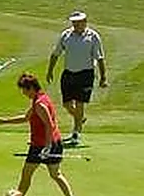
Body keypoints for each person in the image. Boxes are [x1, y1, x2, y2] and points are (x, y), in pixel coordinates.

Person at [0, 72, 79, 196]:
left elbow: (49, 125)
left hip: (43, 145)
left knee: (28, 174)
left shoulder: (40, 104)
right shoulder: (40, 99)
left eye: (24, 90)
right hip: (51, 143)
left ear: (31, 88)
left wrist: (46, 147)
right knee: (54, 174)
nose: (23, 93)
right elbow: (26, 118)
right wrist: (4, 121)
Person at [45, 9, 106, 145]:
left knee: (80, 103)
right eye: (74, 23)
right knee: (66, 104)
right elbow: (56, 54)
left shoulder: (93, 36)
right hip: (68, 73)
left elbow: (100, 58)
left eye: (78, 22)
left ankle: (76, 134)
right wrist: (50, 71)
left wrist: (103, 77)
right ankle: (80, 118)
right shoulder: (66, 35)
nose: (75, 25)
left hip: (85, 74)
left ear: (85, 22)